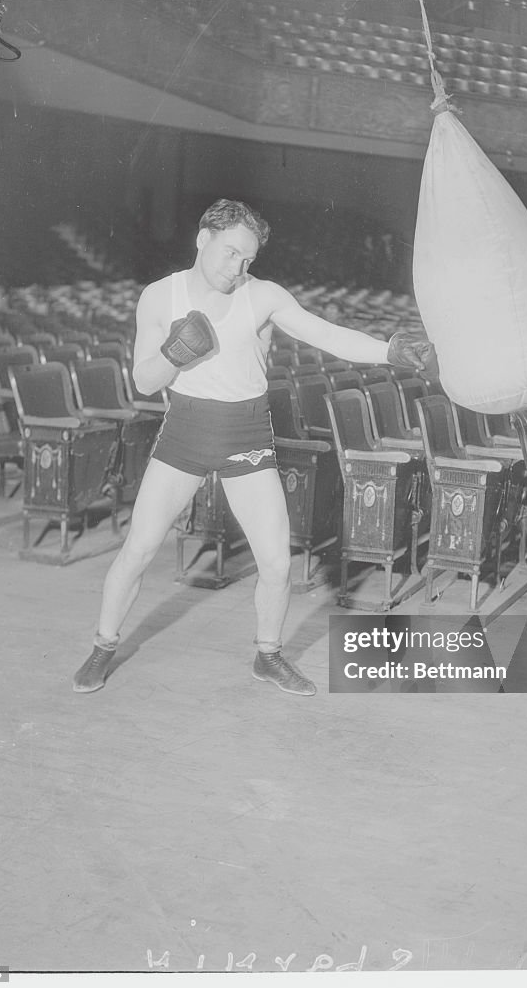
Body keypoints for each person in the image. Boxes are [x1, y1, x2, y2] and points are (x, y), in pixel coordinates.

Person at [72, 199, 434, 698]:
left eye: (247, 258)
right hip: (184, 434)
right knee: (138, 549)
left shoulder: (261, 295)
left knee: (277, 563)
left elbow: (324, 334)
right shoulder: (159, 297)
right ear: (202, 239)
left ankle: (269, 656)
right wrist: (176, 352)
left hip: (246, 437)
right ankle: (102, 647)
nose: (237, 267)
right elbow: (142, 380)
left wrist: (388, 351)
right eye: (229, 253)